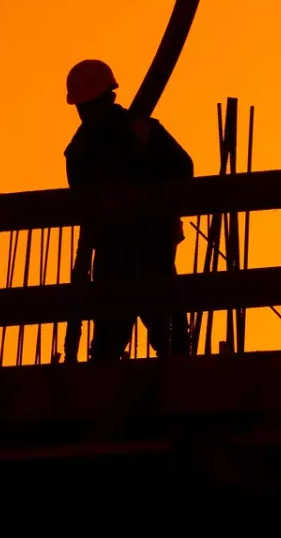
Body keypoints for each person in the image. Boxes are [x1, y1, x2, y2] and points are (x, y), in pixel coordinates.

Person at [61, 59, 194, 362]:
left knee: (169, 336)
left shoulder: (141, 130)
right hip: (115, 251)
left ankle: (178, 382)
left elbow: (183, 170)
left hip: (151, 245)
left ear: (108, 98)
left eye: (89, 105)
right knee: (111, 339)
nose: (86, 112)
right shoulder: (83, 148)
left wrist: (147, 178)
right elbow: (81, 194)